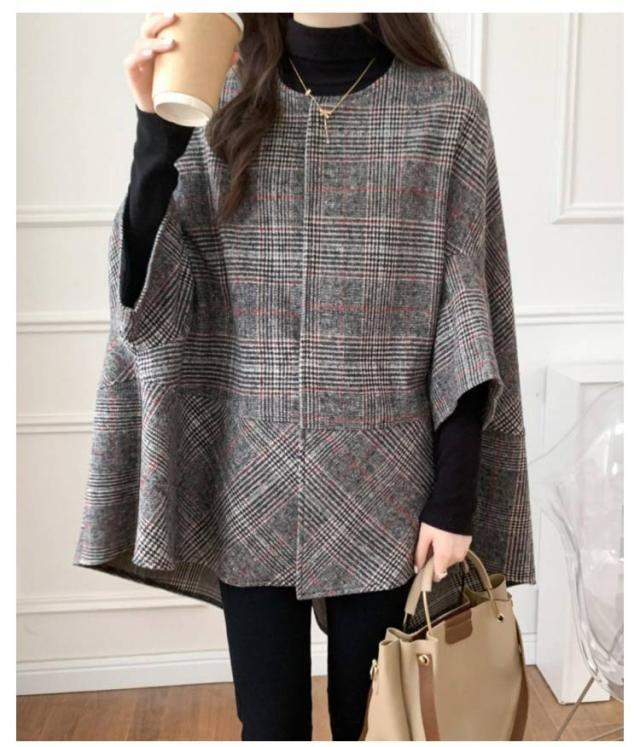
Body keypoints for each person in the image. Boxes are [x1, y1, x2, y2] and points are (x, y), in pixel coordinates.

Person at [73, 11, 536, 742]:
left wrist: (454, 500)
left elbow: (467, 314)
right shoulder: (217, 94)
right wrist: (156, 131)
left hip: (389, 487)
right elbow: (151, 301)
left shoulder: (448, 111)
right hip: (249, 479)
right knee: (270, 726)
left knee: (378, 724)